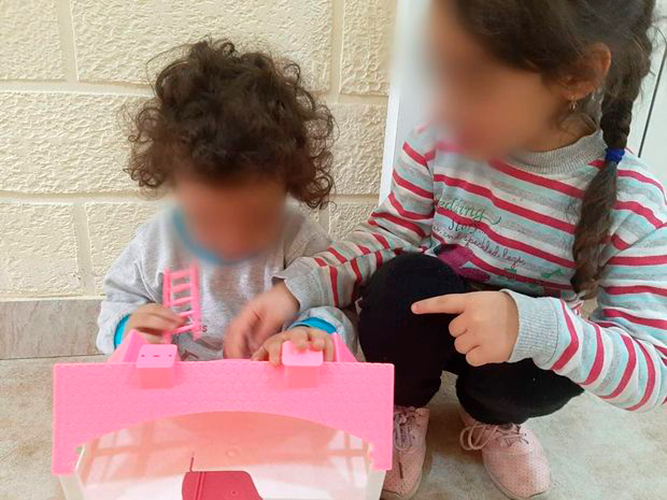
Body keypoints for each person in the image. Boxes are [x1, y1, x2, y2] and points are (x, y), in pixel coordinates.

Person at [225, 1, 667, 499]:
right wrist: (296, 289)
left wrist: (539, 328)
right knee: (400, 281)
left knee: (558, 366)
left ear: (578, 74)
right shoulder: (441, 140)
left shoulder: (633, 202)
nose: (445, 107)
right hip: (433, 320)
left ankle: (493, 418)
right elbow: (388, 236)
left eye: (474, 82)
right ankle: (405, 404)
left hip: (514, 361)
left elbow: (652, 373)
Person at [97, 39, 354, 362]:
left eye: (257, 219)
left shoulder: (298, 239)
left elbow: (337, 306)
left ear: (287, 188)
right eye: (207, 219)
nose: (232, 240)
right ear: (176, 189)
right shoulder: (156, 244)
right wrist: (128, 330)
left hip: (271, 381)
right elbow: (117, 303)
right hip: (180, 385)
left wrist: (311, 332)